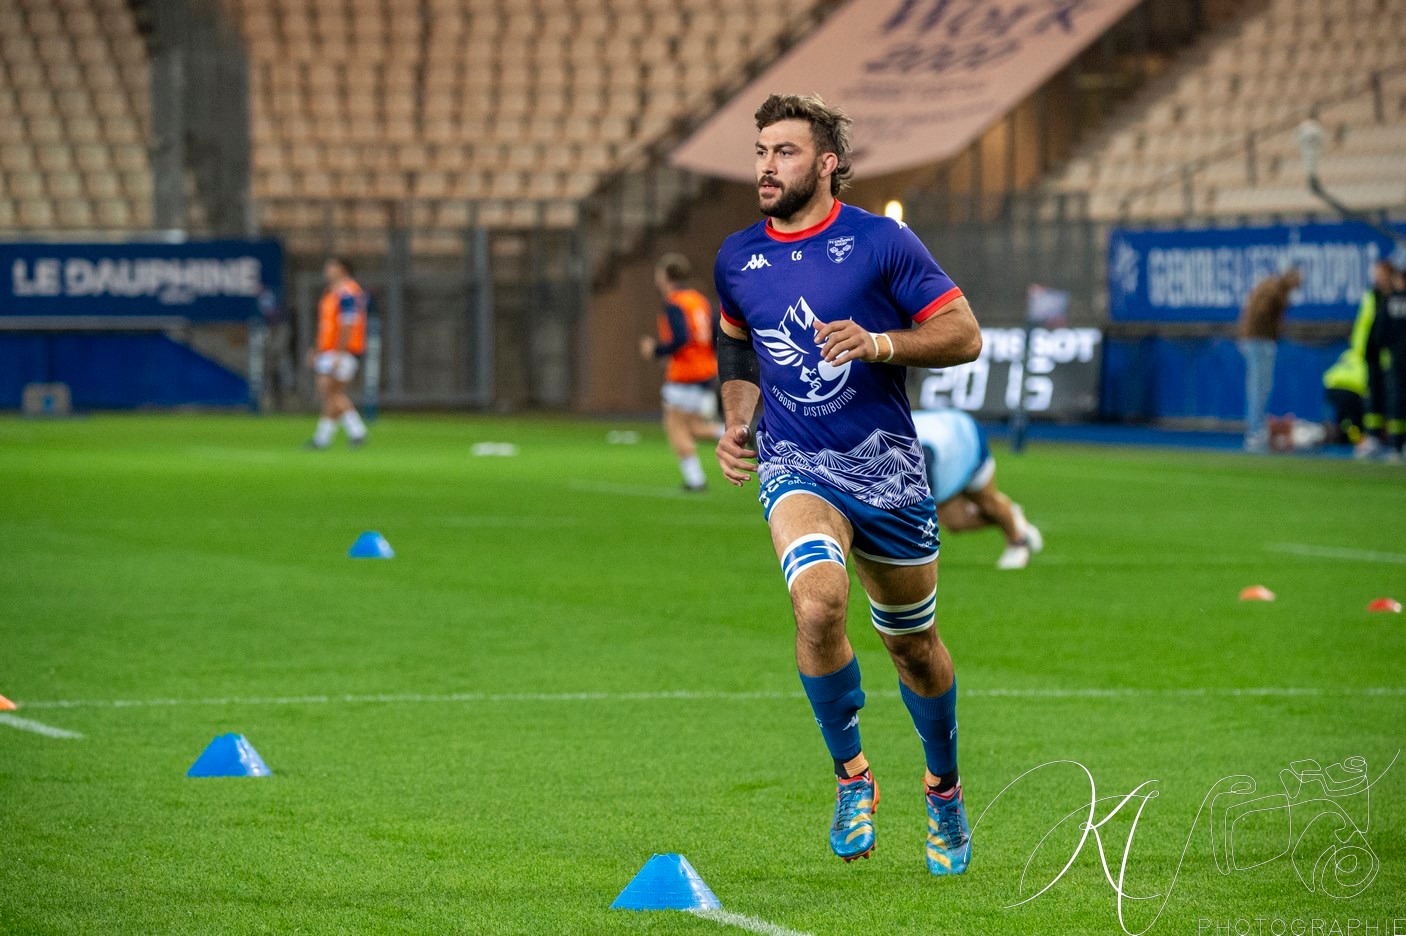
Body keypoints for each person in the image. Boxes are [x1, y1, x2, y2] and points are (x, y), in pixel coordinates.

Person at [713, 94, 983, 876]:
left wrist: (879, 343)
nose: (767, 167)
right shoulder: (736, 257)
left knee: (913, 647)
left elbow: (963, 334)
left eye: (785, 152)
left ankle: (943, 787)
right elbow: (738, 346)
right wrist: (738, 421)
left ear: (827, 163)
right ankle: (852, 776)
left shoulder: (880, 243)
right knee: (818, 603)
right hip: (796, 463)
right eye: (761, 152)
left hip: (887, 468)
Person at [912, 409, 1043, 569]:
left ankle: (1017, 541)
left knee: (986, 501)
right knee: (955, 522)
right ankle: (1011, 517)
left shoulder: (917, 456)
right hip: (940, 443)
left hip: (964, 438)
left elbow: (917, 513)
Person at [638, 253, 721, 491]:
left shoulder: (674, 303)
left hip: (685, 374)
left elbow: (681, 338)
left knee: (675, 427)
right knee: (694, 428)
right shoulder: (700, 301)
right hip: (705, 371)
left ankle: (695, 480)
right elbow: (715, 333)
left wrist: (656, 350)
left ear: (665, 276)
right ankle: (740, 433)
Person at [305, 257, 369, 449]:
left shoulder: (348, 293)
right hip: (329, 349)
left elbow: (348, 324)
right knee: (331, 394)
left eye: (331, 266)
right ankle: (325, 438)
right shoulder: (332, 292)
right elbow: (326, 326)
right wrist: (317, 349)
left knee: (330, 390)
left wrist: (339, 354)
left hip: (342, 350)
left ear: (343, 269)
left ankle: (355, 431)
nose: (327, 270)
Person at [1237, 268, 1301, 452]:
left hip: (1254, 339)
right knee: (1260, 388)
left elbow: (1249, 309)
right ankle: (1255, 433)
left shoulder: (1268, 286)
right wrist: (1272, 331)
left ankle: (1255, 431)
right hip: (1260, 341)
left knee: (1258, 388)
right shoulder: (1275, 291)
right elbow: (1261, 312)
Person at [1356, 259, 1396, 457]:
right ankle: (1373, 438)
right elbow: (1364, 324)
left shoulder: (1395, 297)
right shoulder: (1371, 295)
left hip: (1389, 355)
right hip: (1370, 353)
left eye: (1380, 274)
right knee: (1372, 396)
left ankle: (1396, 441)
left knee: (1394, 397)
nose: (1377, 278)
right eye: (1375, 274)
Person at [1373, 265, 1406, 462]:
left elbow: (1380, 332)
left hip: (1395, 360)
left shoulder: (1389, 301)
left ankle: (1395, 445)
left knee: (1396, 402)